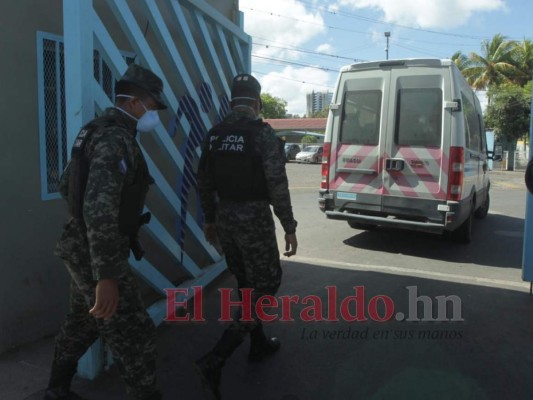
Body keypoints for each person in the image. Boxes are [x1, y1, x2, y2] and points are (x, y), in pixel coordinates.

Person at [44, 64, 166, 400]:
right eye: (152, 108)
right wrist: (107, 275)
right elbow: (99, 210)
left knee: (82, 322)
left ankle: (56, 390)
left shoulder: (95, 130)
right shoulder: (115, 138)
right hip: (95, 253)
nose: (154, 115)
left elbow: (66, 185)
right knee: (134, 333)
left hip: (81, 246)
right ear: (133, 104)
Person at [194, 73, 298, 399]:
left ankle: (258, 344)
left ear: (232, 101)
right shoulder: (262, 135)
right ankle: (217, 356)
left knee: (246, 283)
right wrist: (289, 226)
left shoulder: (214, 135)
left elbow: (204, 182)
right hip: (254, 219)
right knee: (267, 284)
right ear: (256, 102)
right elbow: (276, 185)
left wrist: (211, 220)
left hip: (225, 217)